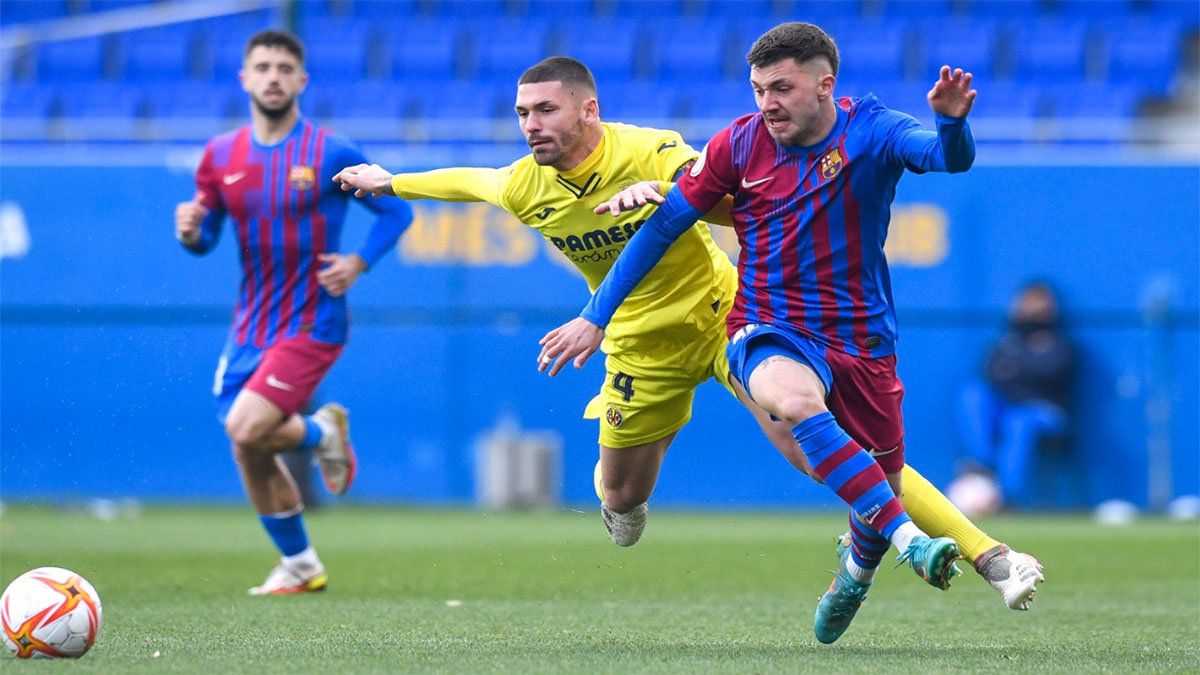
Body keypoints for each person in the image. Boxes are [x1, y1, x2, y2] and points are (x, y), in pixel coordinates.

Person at [332, 55, 1041, 620]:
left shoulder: (651, 149)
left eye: (544, 108)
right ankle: (637, 489)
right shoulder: (525, 185)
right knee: (619, 494)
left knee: (821, 441)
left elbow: (722, 192)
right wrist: (394, 183)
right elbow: (473, 182)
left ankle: (985, 552)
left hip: (726, 316)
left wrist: (665, 194)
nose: (530, 124)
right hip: (642, 348)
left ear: (589, 109)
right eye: (521, 112)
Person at [538, 23, 1043, 643]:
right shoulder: (739, 145)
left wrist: (951, 124)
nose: (765, 103)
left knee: (879, 482)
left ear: (825, 84)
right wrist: (596, 315)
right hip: (766, 325)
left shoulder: (874, 130)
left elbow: (948, 160)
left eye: (780, 88)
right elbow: (663, 225)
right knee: (794, 401)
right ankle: (912, 542)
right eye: (757, 89)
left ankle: (856, 569)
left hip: (862, 338)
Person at [174, 30, 412, 595]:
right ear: (246, 79)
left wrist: (358, 262)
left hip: (313, 321)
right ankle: (301, 565)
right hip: (250, 324)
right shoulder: (219, 156)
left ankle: (322, 429)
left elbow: (396, 213)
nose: (274, 76)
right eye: (263, 66)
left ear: (301, 80)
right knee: (246, 442)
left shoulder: (331, 151)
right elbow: (205, 235)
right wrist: (190, 234)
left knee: (245, 427)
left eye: (285, 67)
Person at [957, 281, 1073, 507]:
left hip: (1047, 413)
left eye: (1038, 303)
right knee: (973, 393)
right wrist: (1026, 364)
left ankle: (1007, 498)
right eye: (1027, 302)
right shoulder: (1006, 342)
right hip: (1008, 407)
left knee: (1019, 421)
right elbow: (992, 374)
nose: (1032, 309)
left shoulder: (1060, 343)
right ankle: (983, 465)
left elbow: (1051, 371)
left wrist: (1018, 365)